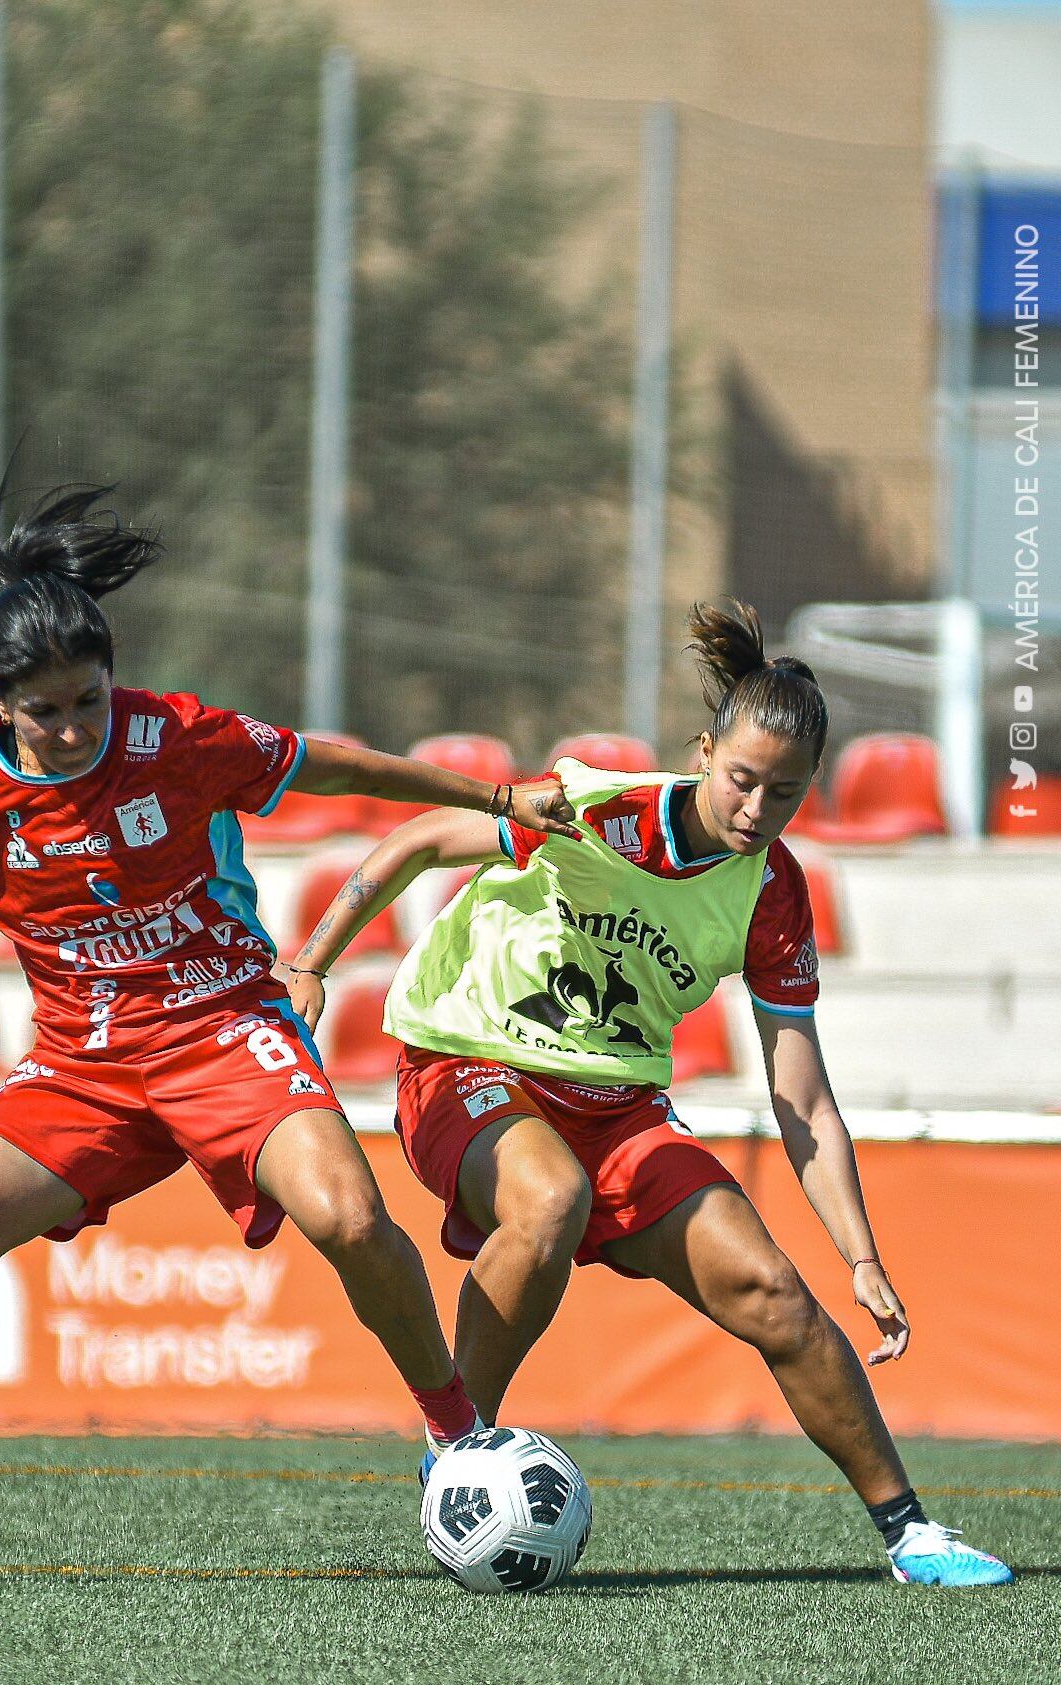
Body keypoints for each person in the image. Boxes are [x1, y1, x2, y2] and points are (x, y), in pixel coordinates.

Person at [0, 483, 570, 1584]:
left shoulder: (177, 735)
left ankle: (453, 1434)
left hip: (227, 1025)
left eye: (89, 698)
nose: (76, 727)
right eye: (47, 712)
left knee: (354, 1216)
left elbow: (344, 765)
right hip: (81, 1063)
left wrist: (499, 798)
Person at [284, 600, 1014, 1589]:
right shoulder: (597, 806)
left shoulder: (772, 892)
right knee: (548, 1199)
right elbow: (418, 842)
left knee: (775, 1294)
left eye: (785, 795)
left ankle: (911, 1532)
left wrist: (863, 1255)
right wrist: (313, 962)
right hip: (467, 1056)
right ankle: (455, 1449)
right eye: (742, 778)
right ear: (704, 750)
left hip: (616, 1105)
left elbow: (801, 1098)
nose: (757, 808)